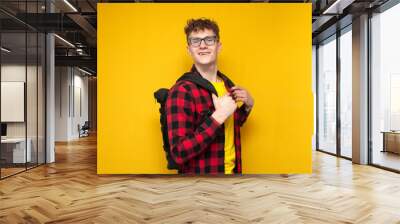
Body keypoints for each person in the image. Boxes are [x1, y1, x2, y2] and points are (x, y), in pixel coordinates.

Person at [166, 18, 254, 174]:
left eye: (209, 40)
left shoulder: (227, 85)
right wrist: (218, 115)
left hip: (233, 174)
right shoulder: (182, 91)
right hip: (201, 184)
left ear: (218, 46)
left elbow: (230, 127)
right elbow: (179, 153)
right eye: (195, 41)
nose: (202, 45)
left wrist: (248, 106)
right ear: (189, 49)